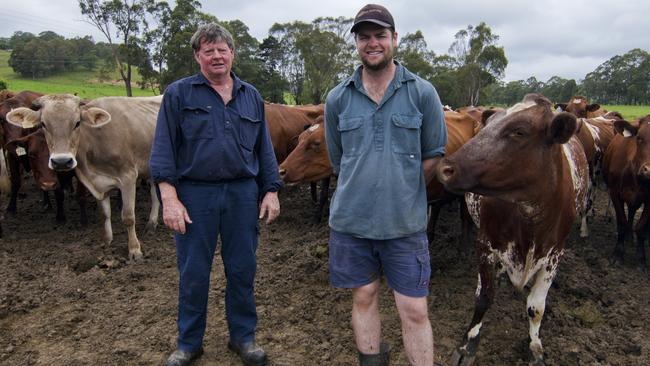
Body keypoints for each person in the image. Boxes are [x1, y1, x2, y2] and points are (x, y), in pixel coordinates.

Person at [150, 23, 281, 366]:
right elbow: (163, 148)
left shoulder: (251, 95)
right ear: (197, 56)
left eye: (222, 49)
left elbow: (263, 149)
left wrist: (270, 190)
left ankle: (244, 338)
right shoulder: (178, 95)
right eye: (208, 51)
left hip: (241, 194)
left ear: (233, 53)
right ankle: (189, 343)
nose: (217, 56)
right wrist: (169, 197)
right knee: (194, 272)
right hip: (195, 195)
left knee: (242, 268)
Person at [325, 4, 447, 366]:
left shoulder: (423, 93)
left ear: (395, 39)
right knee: (363, 295)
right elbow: (338, 160)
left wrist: (401, 188)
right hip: (351, 222)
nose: (372, 43)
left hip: (404, 224)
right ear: (357, 44)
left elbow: (433, 156)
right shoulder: (338, 98)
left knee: (413, 308)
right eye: (364, 37)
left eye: (380, 35)